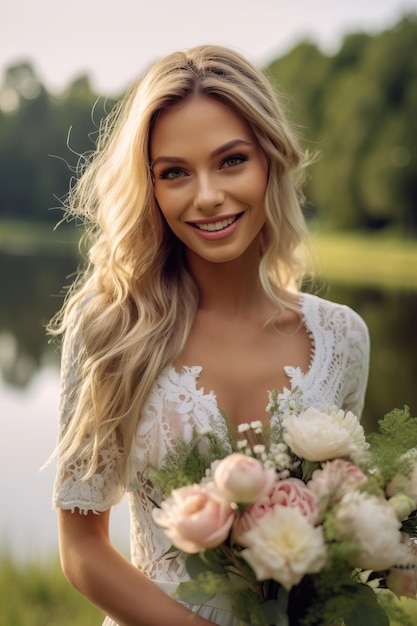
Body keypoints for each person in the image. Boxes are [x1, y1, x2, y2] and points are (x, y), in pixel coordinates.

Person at [50, 44, 370, 626]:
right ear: (150, 188)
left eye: (230, 161)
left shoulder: (343, 337)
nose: (206, 195)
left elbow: (334, 536)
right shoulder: (108, 330)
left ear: (270, 160)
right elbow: (82, 549)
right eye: (175, 172)